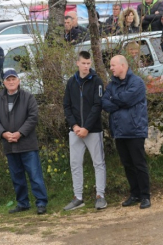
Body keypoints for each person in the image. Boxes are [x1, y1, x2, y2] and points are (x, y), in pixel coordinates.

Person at [0, 69, 48, 215]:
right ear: (3, 82)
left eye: (13, 79)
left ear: (18, 81)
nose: (11, 82)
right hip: (9, 145)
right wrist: (3, 133)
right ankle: (23, 203)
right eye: (8, 80)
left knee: (35, 175)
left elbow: (33, 117)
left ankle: (41, 202)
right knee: (17, 177)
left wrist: (20, 133)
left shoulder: (28, 97)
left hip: (27, 144)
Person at [102, 55, 151, 209]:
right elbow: (104, 102)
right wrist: (119, 101)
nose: (110, 68)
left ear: (122, 66)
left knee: (139, 164)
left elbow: (126, 100)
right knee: (127, 164)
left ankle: (145, 196)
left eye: (113, 65)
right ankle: (134, 194)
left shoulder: (137, 82)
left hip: (135, 130)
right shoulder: (112, 84)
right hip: (119, 131)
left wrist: (115, 99)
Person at [63, 51, 107, 211]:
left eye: (89, 64)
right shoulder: (71, 82)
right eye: (83, 63)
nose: (86, 66)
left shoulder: (97, 81)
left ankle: (100, 196)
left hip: (93, 130)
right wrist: (74, 126)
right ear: (77, 63)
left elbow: (98, 106)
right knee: (75, 163)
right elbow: (67, 106)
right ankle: (78, 197)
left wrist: (86, 127)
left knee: (98, 163)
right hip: (74, 131)